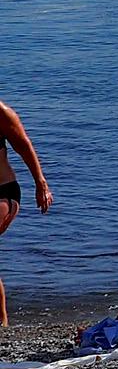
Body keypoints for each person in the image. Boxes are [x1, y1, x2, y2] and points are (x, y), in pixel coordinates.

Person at [0, 99, 54, 327]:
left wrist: (40, 184)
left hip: (3, 191)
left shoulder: (1, 112)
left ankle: (2, 321)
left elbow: (23, 145)